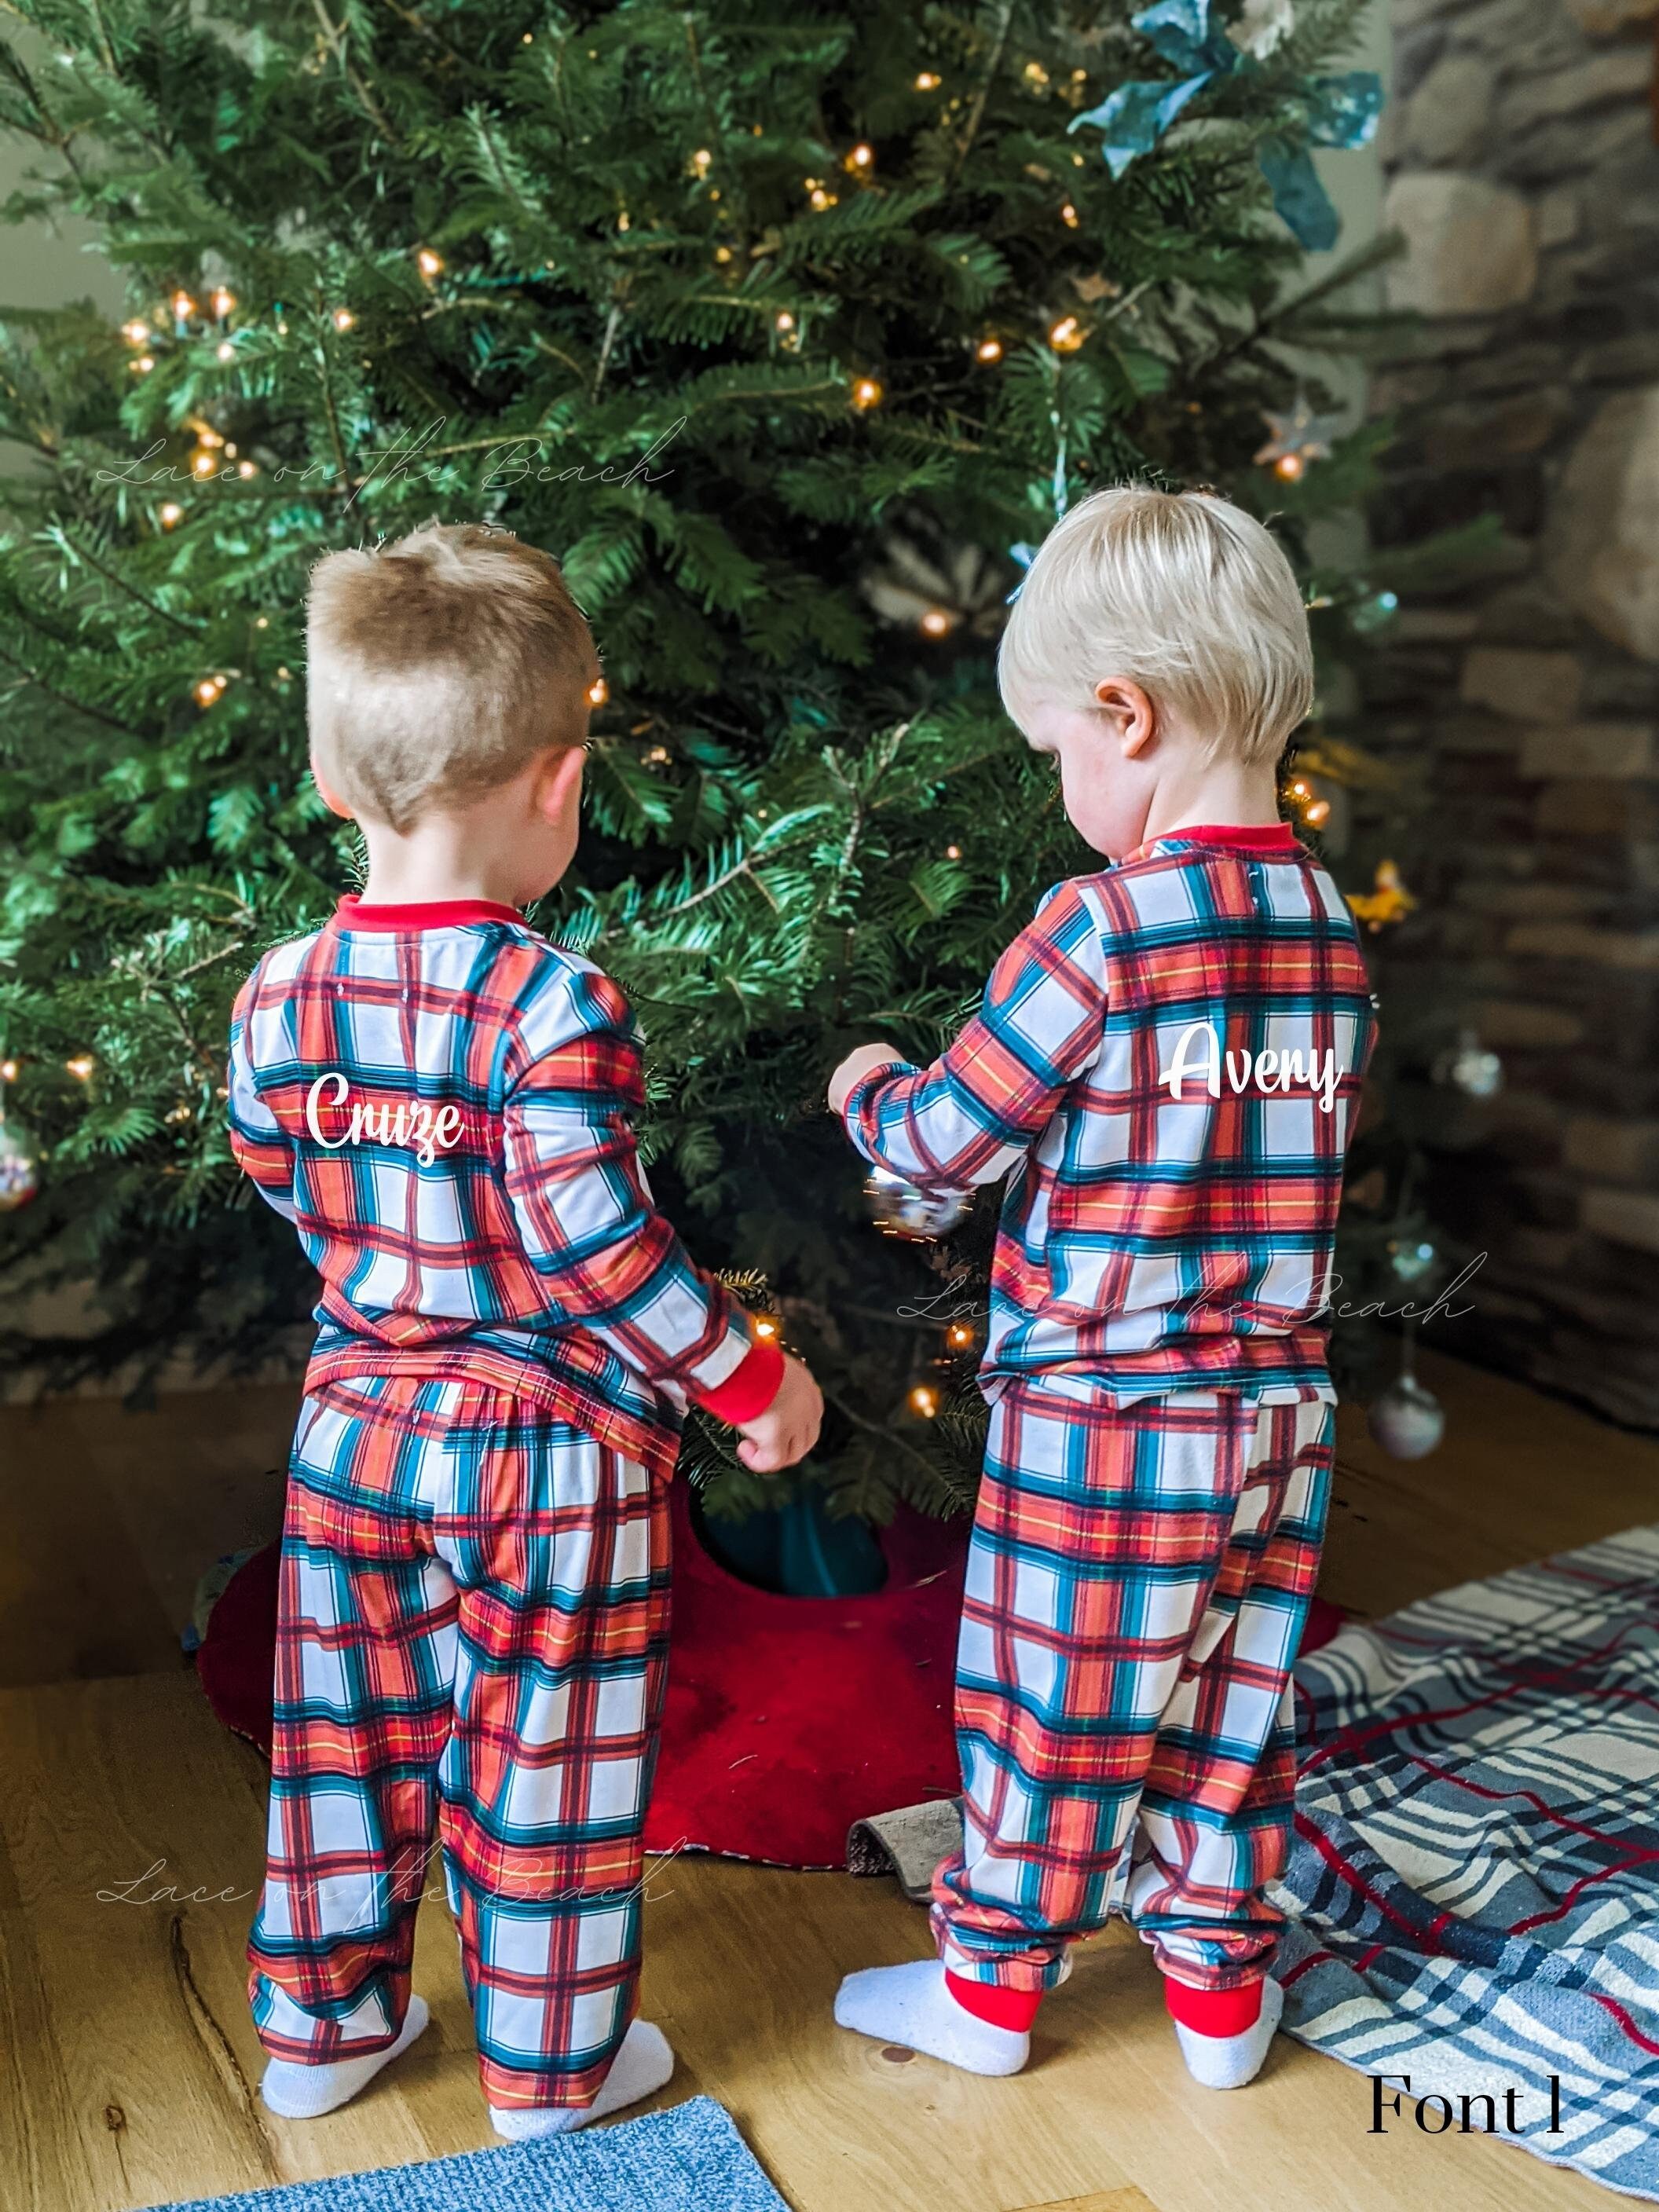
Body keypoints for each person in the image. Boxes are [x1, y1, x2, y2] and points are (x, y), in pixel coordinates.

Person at [227, 522, 822, 2135]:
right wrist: (746, 1376)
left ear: (331, 778)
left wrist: (389, 1275)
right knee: (550, 1747)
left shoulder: (278, 995)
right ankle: (550, 2068)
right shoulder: (553, 1002)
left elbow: (278, 1165)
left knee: (342, 1733)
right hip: (553, 1455)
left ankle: (319, 2026)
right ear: (562, 784)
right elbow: (597, 1243)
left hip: (354, 1431)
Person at [826, 485, 1376, 2092]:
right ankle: (1219, 1995)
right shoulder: (1329, 928)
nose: (1067, 783)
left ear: (1126, 716)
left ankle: (992, 1995)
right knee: (1230, 1703)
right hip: (1280, 1413)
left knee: (1048, 1716)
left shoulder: (1103, 926)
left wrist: (870, 1087)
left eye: (1062, 749)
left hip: (1103, 1419)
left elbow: (946, 1143)